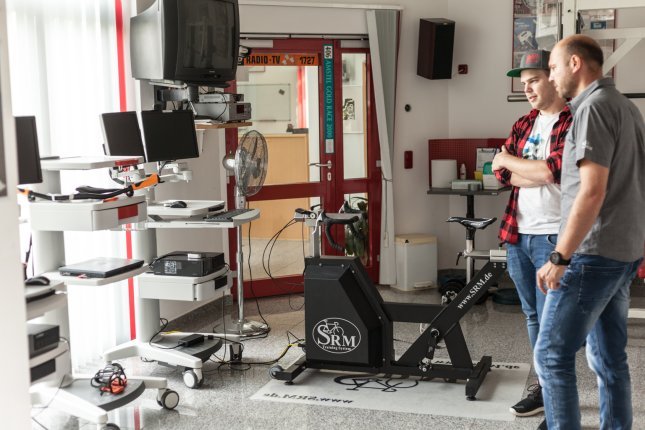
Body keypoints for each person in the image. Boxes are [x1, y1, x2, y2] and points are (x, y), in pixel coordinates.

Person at [535, 34, 645, 430]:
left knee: (551, 356)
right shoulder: (625, 107)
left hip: (591, 254)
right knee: (608, 358)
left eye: (552, 68)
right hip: (623, 251)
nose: (550, 77)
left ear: (576, 64)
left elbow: (592, 191)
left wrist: (559, 257)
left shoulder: (593, 109)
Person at [492, 49, 572, 420]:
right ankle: (544, 391)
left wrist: (510, 161)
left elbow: (551, 173)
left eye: (534, 80)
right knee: (532, 317)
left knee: (552, 325)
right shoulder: (524, 123)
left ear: (553, 77)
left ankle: (557, 407)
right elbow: (500, 174)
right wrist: (518, 167)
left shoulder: (571, 121)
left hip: (553, 237)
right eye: (523, 83)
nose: (527, 89)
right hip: (517, 233)